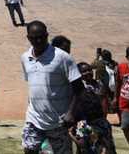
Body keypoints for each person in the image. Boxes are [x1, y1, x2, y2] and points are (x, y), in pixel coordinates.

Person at [21, 20, 83, 154]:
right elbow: (34, 85)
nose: (38, 41)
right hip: (33, 118)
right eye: (34, 38)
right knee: (29, 150)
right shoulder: (25, 58)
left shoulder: (63, 58)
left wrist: (71, 113)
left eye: (41, 37)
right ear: (28, 38)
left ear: (47, 35)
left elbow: (79, 89)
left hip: (59, 121)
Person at [70, 62, 116, 154]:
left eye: (89, 70)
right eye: (84, 71)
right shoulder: (76, 88)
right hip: (82, 122)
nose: (88, 72)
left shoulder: (99, 85)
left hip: (100, 121)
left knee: (107, 146)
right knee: (84, 147)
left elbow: (104, 102)